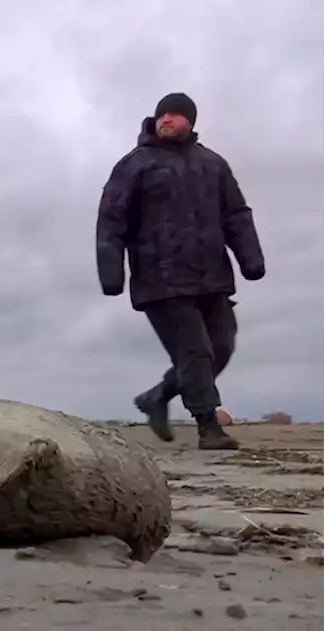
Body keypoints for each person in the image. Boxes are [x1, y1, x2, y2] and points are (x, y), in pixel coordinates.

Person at [97, 92, 264, 451]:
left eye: (174, 115)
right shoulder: (134, 165)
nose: (166, 120)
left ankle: (158, 396)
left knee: (221, 346)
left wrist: (251, 259)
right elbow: (111, 221)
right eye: (162, 115)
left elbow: (235, 214)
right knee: (195, 352)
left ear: (190, 121)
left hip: (212, 277)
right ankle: (208, 425)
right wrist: (112, 273)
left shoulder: (214, 165)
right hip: (161, 280)